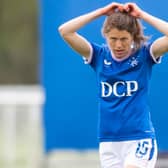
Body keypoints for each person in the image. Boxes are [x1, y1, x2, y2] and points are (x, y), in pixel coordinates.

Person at [58, 2, 168, 168]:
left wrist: (142, 15)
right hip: (109, 142)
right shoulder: (98, 56)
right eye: (113, 39)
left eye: (124, 39)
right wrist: (101, 12)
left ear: (133, 37)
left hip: (138, 139)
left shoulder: (144, 55)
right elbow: (65, 31)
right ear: (106, 36)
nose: (118, 45)